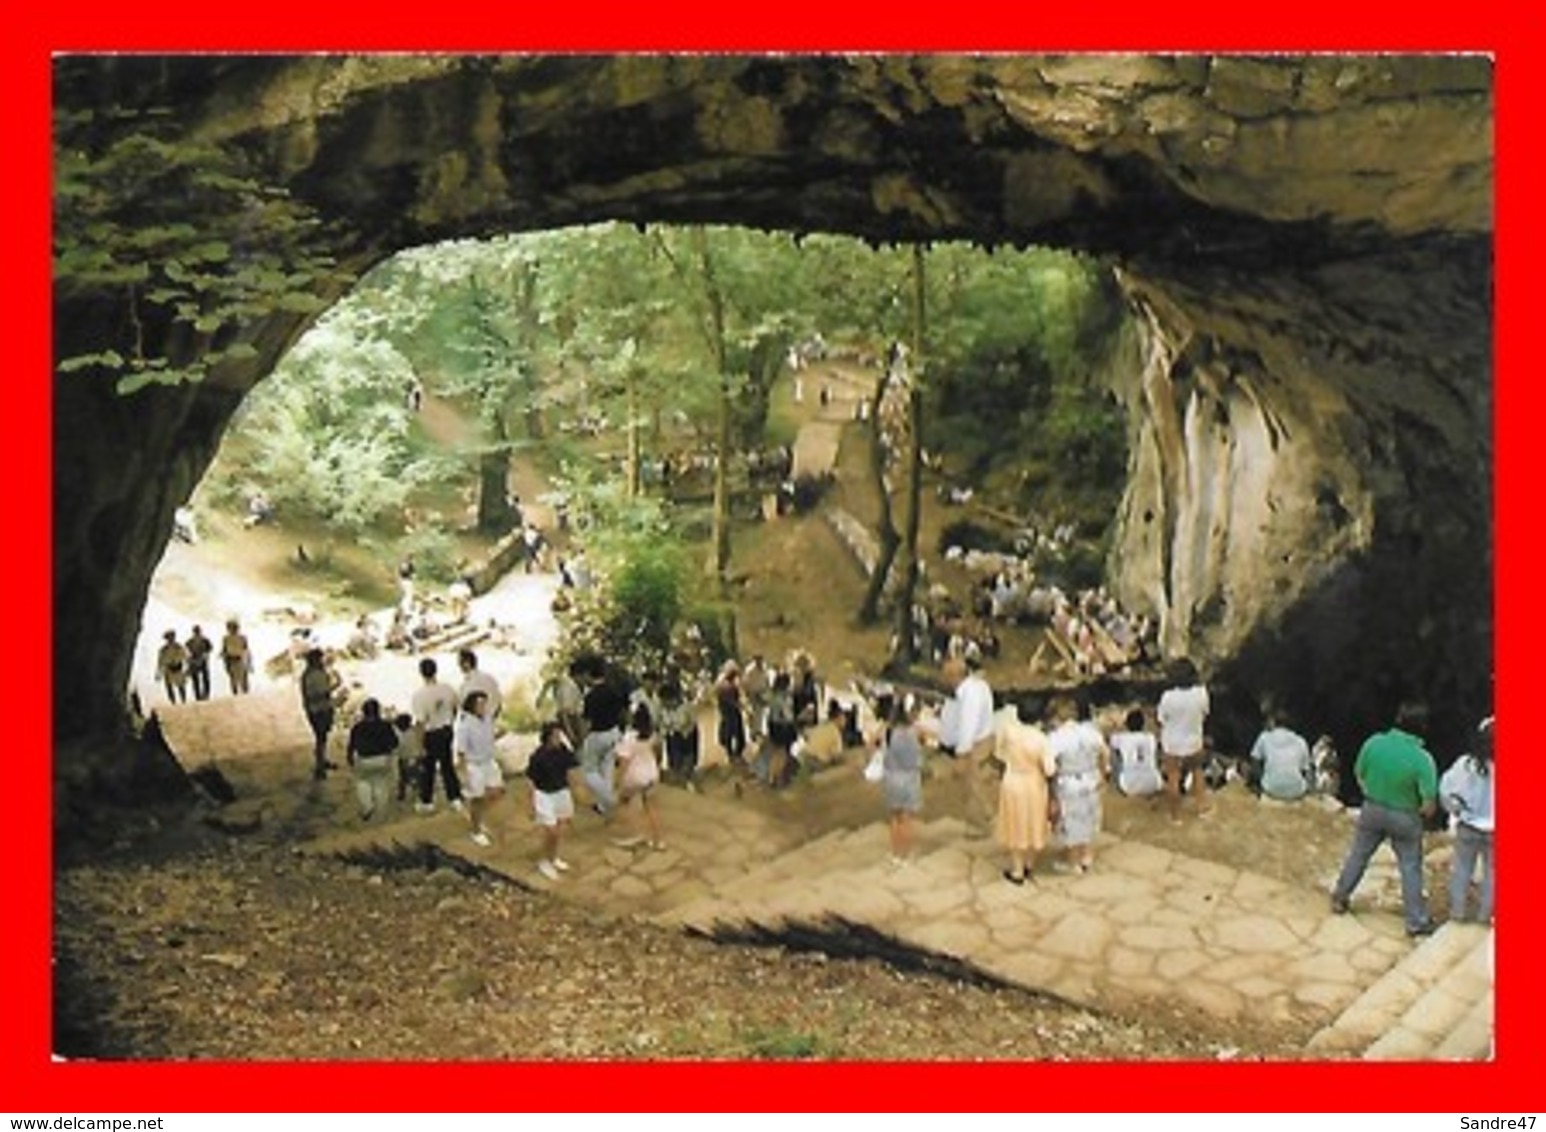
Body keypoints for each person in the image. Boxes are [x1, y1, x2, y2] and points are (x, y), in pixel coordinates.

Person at [1329, 702, 1439, 937]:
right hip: (1405, 816)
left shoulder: (1374, 743)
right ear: (1422, 727)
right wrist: (1420, 815)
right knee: (1410, 868)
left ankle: (1340, 897)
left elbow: (1359, 773)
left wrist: (1371, 793)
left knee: (1358, 855)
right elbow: (1428, 803)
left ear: (1398, 719)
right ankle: (1415, 922)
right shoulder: (1422, 758)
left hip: (1372, 808)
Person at [994, 700, 1056, 884]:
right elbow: (1050, 768)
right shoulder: (1041, 739)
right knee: (1034, 822)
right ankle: (1029, 863)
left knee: (1014, 824)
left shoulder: (1008, 731)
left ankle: (1017, 870)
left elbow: (999, 753)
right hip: (1034, 783)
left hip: (1012, 780)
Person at [1441, 718, 1494, 925]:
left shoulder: (1465, 764)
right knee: (1493, 874)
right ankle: (1484, 917)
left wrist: (1456, 810)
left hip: (1468, 825)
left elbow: (1446, 790)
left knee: (1462, 869)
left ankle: (1457, 914)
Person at [1048, 697, 1110, 873]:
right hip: (1091, 777)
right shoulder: (1090, 731)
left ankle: (1073, 862)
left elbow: (1050, 762)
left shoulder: (1057, 737)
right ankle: (1086, 854)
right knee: (1089, 817)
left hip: (1069, 781)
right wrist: (1104, 773)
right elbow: (1104, 752)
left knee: (1071, 820)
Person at [940, 654, 996, 832]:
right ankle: (978, 822)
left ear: (955, 675)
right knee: (972, 784)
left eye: (946, 675)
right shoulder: (977, 686)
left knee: (972, 785)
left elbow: (968, 723)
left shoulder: (969, 693)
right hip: (979, 739)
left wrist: (962, 753)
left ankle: (983, 822)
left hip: (974, 743)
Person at [1157, 660, 1211, 822]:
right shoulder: (1201, 693)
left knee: (1173, 777)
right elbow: (1205, 713)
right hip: (1194, 740)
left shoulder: (1168, 697)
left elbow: (1161, 719)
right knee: (1197, 773)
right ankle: (1201, 808)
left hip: (1172, 742)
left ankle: (1175, 816)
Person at [527, 722, 580, 881]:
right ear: (547, 738)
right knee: (551, 830)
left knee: (560, 828)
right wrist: (531, 802)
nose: (559, 738)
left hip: (561, 793)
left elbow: (571, 769)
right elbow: (530, 780)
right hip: (544, 795)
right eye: (555, 736)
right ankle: (544, 861)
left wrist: (574, 790)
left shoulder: (563, 751)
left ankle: (553, 857)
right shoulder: (538, 756)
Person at [412, 657, 462, 814]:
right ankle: (454, 798)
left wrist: (419, 745)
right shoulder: (447, 688)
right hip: (446, 729)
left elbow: (420, 721)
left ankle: (427, 801)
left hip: (431, 732)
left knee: (428, 768)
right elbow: (455, 707)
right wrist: (450, 721)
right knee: (447, 764)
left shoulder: (420, 695)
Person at [881, 694, 925, 867]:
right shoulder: (917, 730)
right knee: (907, 819)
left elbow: (871, 743)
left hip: (891, 776)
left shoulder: (887, 729)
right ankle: (906, 855)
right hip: (910, 777)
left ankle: (895, 853)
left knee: (894, 818)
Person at [613, 705, 665, 850]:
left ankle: (636, 834)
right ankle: (658, 840)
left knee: (627, 804)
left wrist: (618, 781)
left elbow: (624, 762)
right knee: (651, 808)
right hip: (652, 774)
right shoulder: (652, 734)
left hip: (635, 776)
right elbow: (658, 751)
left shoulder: (629, 737)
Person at [454, 690, 501, 847]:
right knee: (477, 798)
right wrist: (463, 773)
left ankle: (477, 816)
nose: (483, 706)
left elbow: (490, 736)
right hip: (474, 766)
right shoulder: (465, 725)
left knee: (497, 792)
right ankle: (476, 831)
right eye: (480, 704)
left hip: (489, 762)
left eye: (484, 703)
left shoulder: (487, 719)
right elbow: (461, 751)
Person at [579, 666, 628, 816]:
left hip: (597, 734)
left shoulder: (590, 696)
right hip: (614, 732)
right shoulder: (614, 692)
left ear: (589, 674)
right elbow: (624, 713)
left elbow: (586, 721)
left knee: (589, 772)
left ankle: (609, 798)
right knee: (607, 769)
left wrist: (582, 739)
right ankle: (603, 807)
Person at [346, 698, 399, 821]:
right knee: (381, 784)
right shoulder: (385, 725)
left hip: (364, 759)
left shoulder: (358, 727)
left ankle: (367, 806)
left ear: (364, 712)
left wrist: (349, 758)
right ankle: (381, 810)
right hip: (383, 759)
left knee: (362, 783)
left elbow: (351, 745)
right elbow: (394, 743)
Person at [1248, 710, 1312, 802]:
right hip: (1296, 793)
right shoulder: (1301, 741)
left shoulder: (1264, 737)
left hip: (1270, 790)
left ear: (1273, 722)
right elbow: (1304, 770)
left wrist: (1261, 782)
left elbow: (1254, 762)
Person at [298, 648, 339, 781]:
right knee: (320, 738)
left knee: (322, 738)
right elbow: (313, 695)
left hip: (321, 708)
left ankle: (322, 761)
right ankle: (319, 766)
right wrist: (332, 688)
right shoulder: (311, 676)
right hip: (318, 710)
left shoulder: (315, 673)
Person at [658, 676, 701, 789]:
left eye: (665, 701)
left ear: (672, 698)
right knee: (675, 766)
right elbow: (662, 725)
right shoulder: (663, 711)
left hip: (687, 737)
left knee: (687, 765)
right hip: (672, 739)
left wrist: (685, 731)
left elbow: (692, 723)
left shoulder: (686, 707)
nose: (664, 703)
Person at [1110, 707, 1161, 797]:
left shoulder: (1121, 738)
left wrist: (1118, 725)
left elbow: (1110, 741)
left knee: (1115, 753)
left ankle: (1116, 786)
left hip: (1129, 785)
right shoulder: (1151, 737)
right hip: (1153, 783)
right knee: (1154, 753)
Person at [715, 661, 748, 773]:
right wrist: (740, 705)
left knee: (736, 734)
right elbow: (729, 700)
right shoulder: (725, 684)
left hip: (729, 712)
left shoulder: (727, 682)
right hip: (729, 712)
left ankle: (735, 754)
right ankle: (732, 755)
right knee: (732, 733)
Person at [457, 648, 503, 723]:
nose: (459, 666)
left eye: (460, 663)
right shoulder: (490, 678)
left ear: (466, 663)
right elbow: (499, 703)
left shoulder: (466, 685)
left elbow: (464, 710)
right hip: (490, 722)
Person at [155, 630, 189, 704]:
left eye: (171, 637)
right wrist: (158, 673)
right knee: (169, 687)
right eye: (169, 638)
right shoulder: (163, 650)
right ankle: (173, 702)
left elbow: (185, 656)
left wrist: (186, 668)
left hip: (178, 668)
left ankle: (184, 701)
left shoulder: (179, 647)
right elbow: (160, 661)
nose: (170, 639)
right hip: (169, 669)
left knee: (181, 686)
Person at [220, 619, 251, 695]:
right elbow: (224, 649)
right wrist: (224, 659)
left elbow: (246, 649)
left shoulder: (242, 637)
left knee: (243, 678)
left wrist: (248, 660)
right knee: (233, 678)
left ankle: (244, 693)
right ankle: (236, 694)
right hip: (231, 659)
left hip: (240, 659)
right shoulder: (226, 638)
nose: (231, 629)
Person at [184, 625, 213, 701]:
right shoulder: (190, 641)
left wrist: (204, 656)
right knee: (195, 679)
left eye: (198, 631)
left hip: (203, 660)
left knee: (205, 678)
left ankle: (206, 694)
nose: (197, 632)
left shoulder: (205, 640)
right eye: (195, 631)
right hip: (194, 661)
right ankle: (198, 695)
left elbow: (209, 649)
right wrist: (190, 660)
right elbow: (187, 651)